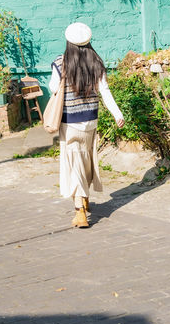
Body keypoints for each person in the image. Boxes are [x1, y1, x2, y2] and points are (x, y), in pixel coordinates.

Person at [49, 21, 124, 229]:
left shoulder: (60, 62)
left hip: (70, 121)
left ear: (68, 41)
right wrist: (117, 114)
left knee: (74, 163)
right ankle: (85, 197)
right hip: (91, 120)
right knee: (87, 158)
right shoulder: (96, 62)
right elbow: (105, 91)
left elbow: (53, 87)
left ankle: (79, 210)